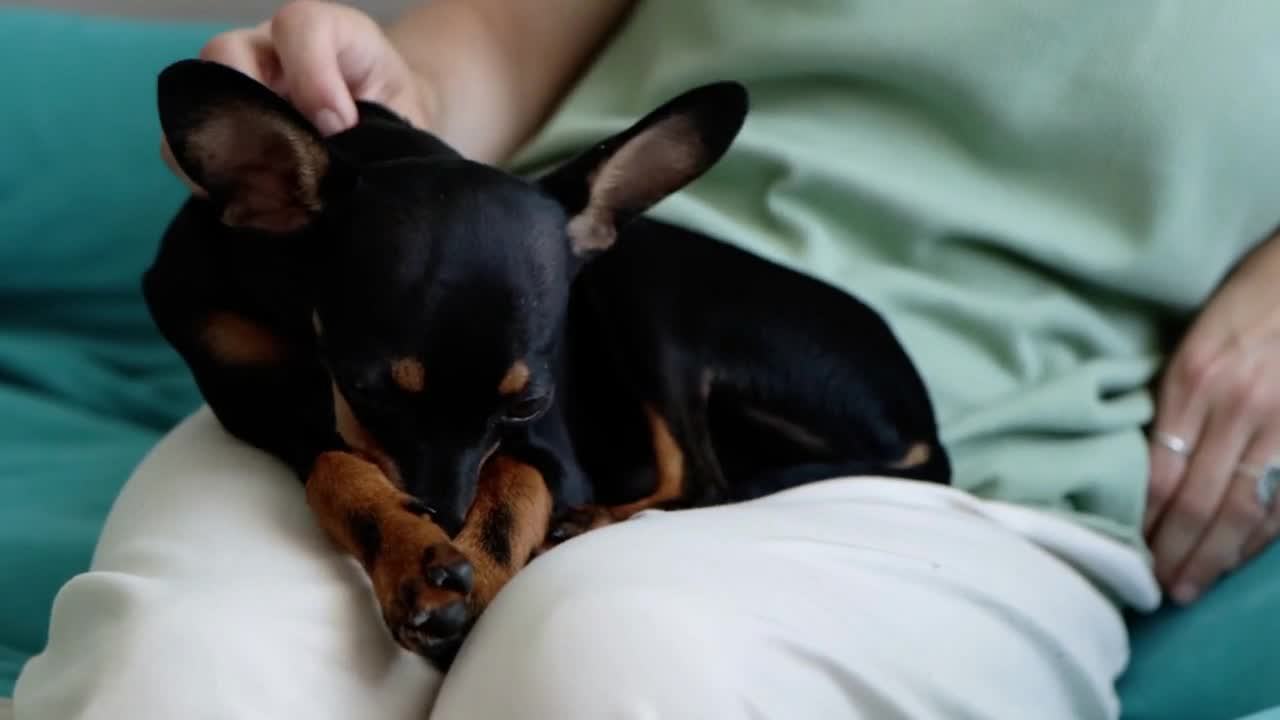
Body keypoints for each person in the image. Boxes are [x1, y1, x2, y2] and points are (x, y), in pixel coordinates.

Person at [15, 1, 1280, 718]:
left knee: (607, 661)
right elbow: (467, 78)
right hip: (482, 329)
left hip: (940, 467)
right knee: (175, 673)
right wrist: (354, 103)